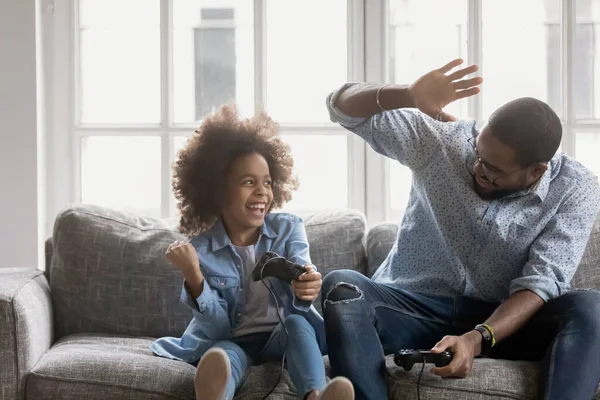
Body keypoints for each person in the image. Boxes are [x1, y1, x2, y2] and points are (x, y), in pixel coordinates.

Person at [321, 58, 600, 400]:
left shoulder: (575, 189)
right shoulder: (446, 141)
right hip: (414, 310)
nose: (478, 169)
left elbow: (540, 283)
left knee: (591, 308)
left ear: (536, 171)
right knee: (342, 286)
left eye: (494, 169)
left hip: (503, 323)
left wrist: (477, 337)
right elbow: (342, 105)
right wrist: (405, 94)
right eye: (479, 154)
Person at [150, 105, 354, 400]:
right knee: (221, 354)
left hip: (281, 334)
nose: (262, 192)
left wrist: (307, 286)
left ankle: (316, 395)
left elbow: (302, 274)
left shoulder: (289, 228)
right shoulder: (201, 251)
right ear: (218, 190)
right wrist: (193, 275)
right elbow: (218, 327)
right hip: (234, 339)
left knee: (298, 324)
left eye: (268, 182)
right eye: (249, 182)